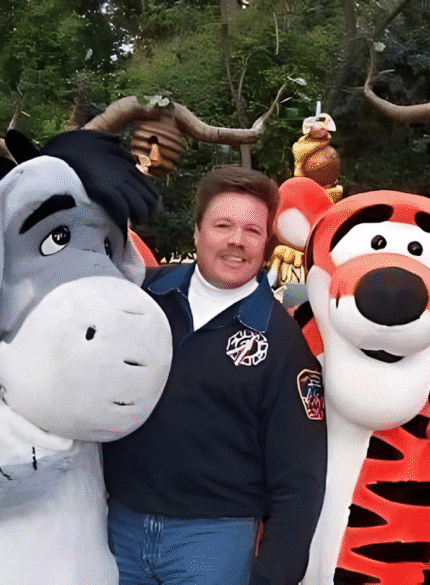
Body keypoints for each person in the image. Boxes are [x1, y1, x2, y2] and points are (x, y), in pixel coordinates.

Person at [103, 166, 327, 585]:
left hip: (213, 542)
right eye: (222, 225)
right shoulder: (142, 298)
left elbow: (300, 479)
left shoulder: (281, 341)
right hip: (119, 528)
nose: (236, 241)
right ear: (197, 233)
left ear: (266, 243)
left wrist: (275, 574)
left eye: (252, 231)